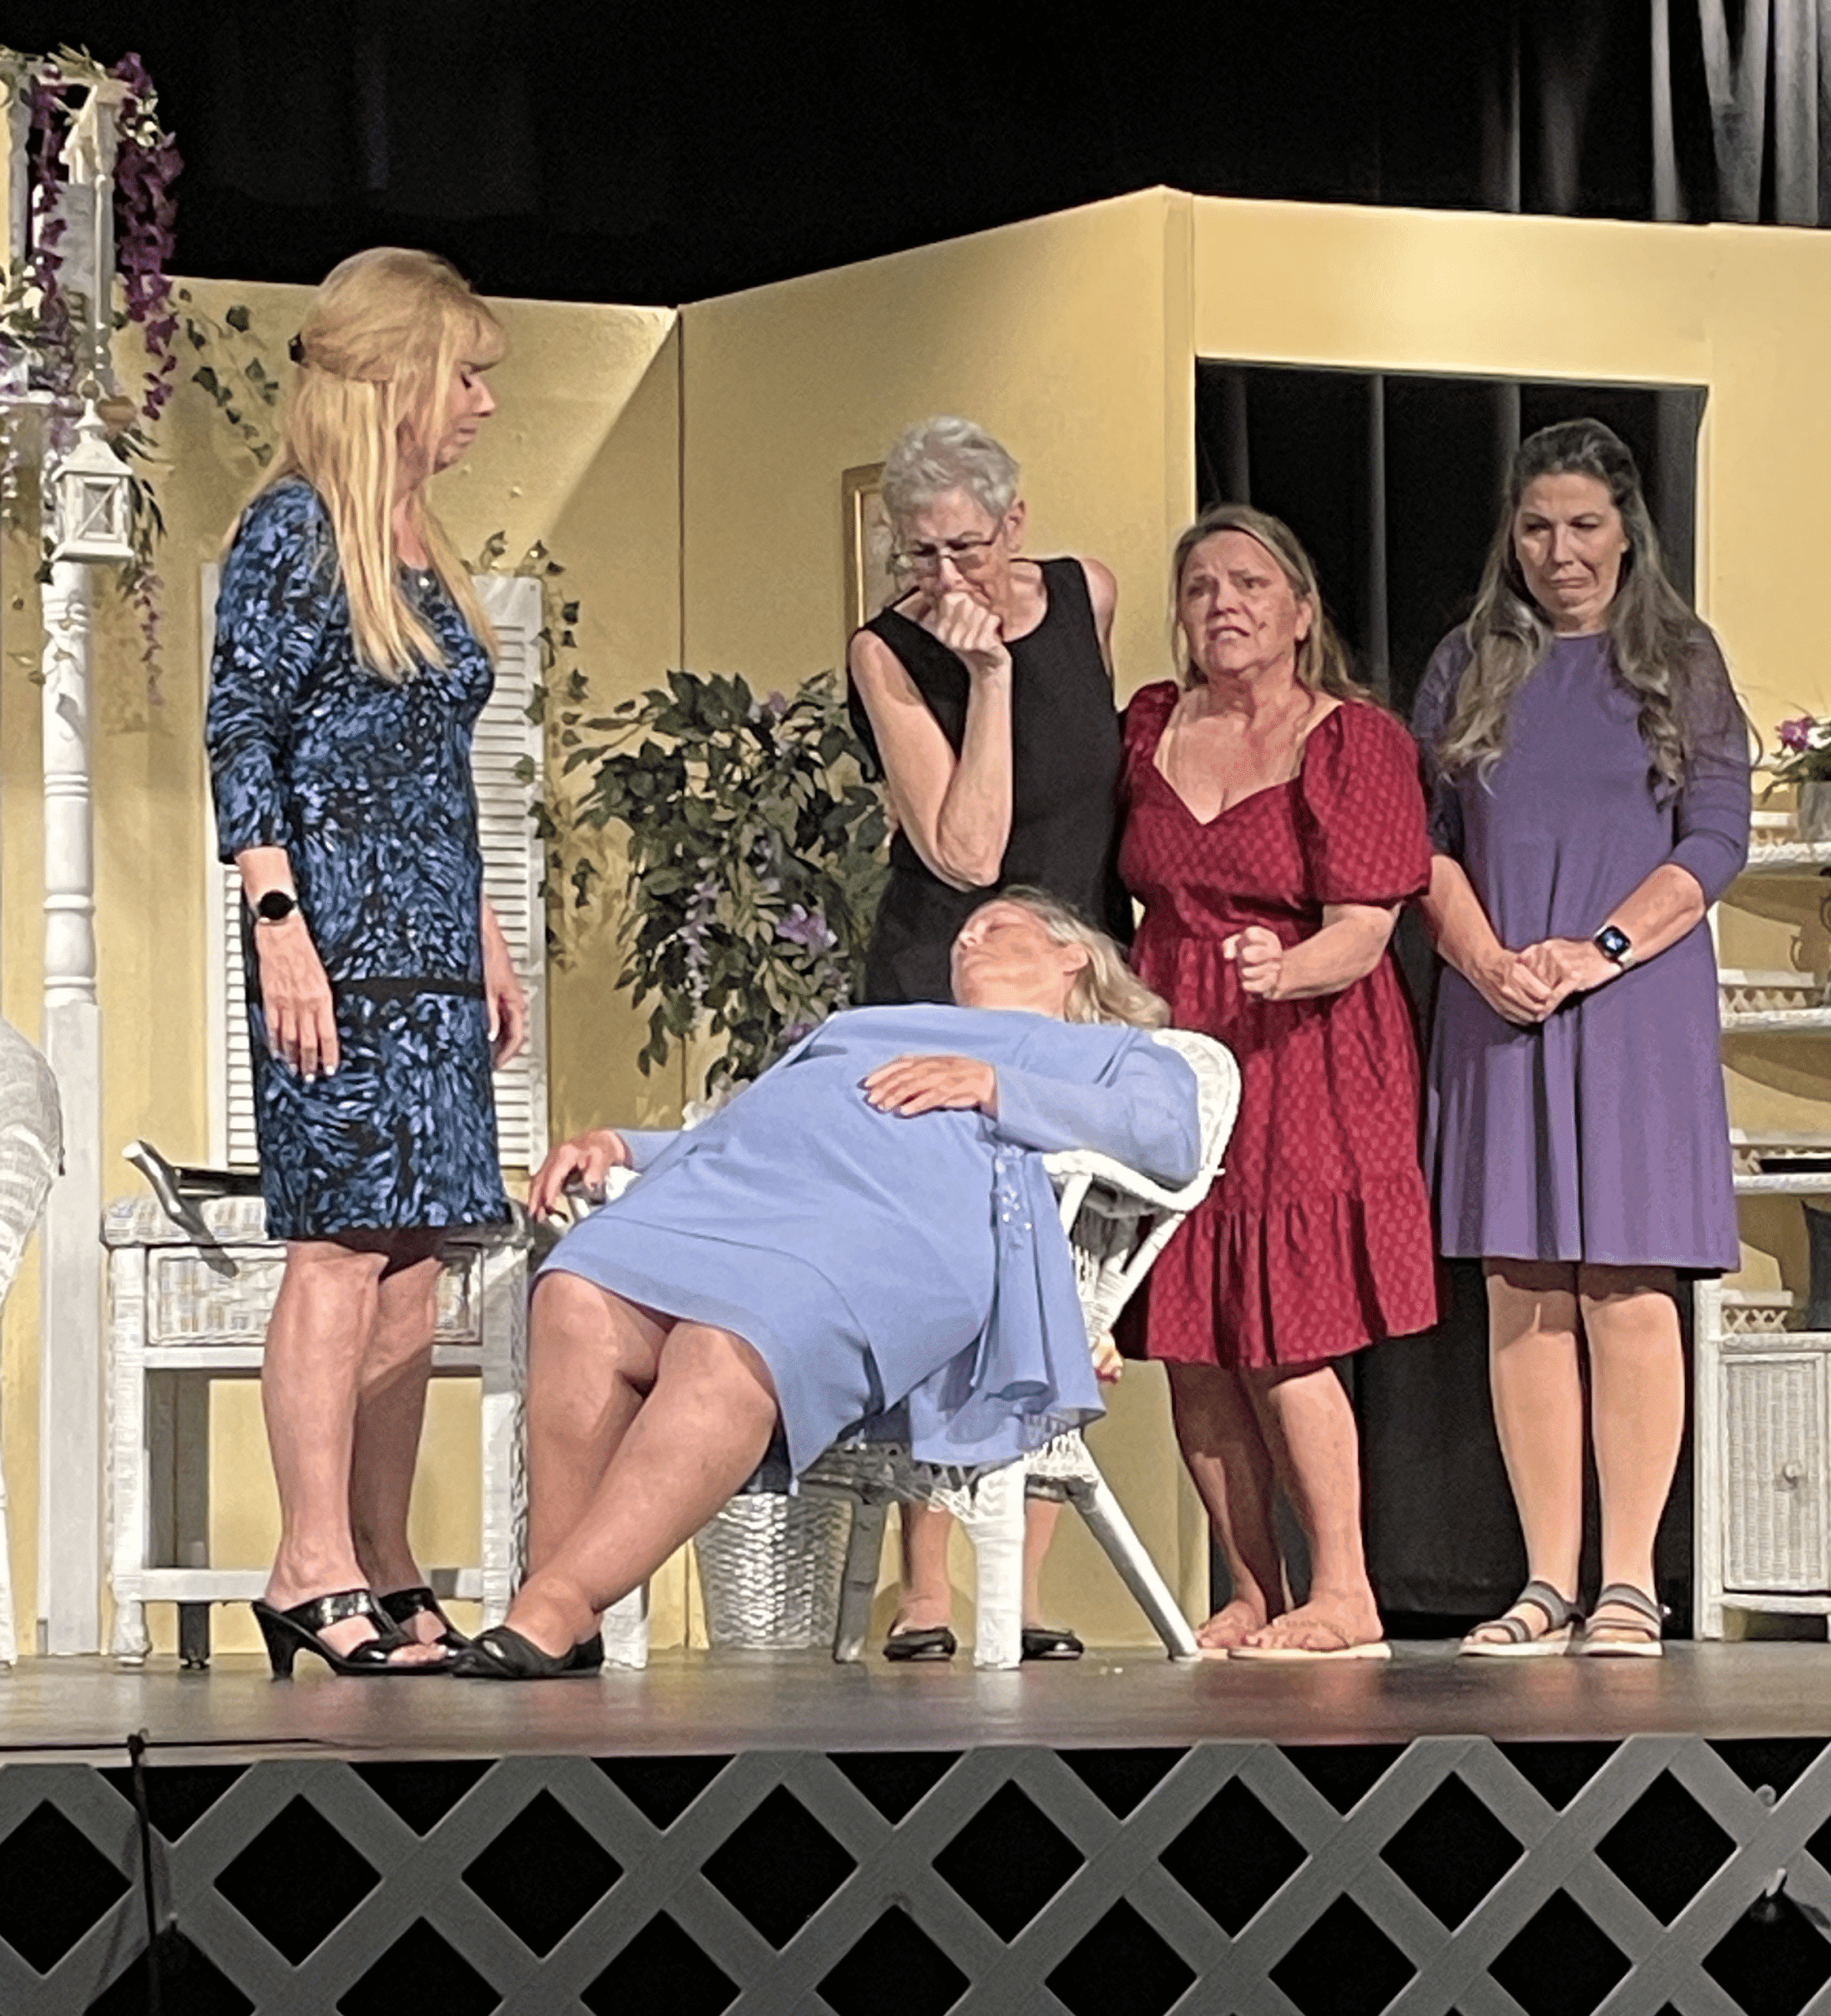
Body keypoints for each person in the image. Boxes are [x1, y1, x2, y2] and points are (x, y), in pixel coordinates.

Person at [455, 894, 1200, 1681]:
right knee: (573, 1291)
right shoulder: (857, 1030)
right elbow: (739, 1129)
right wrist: (621, 1144)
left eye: (998, 926)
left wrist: (994, 1086)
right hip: (740, 1198)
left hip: (892, 1236)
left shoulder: (1113, 1053)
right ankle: (559, 1613)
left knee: (730, 1341)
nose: (968, 936)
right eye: (964, 930)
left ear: (1071, 956)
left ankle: (554, 1603)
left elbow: (1171, 1139)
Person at [204, 248, 527, 1677]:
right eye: (464, 375)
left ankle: (384, 1554)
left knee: (417, 1262)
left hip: (433, 948)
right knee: (339, 1246)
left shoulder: (419, 540)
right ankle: (306, 1556)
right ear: (396, 376)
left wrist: (487, 932)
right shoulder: (291, 534)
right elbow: (244, 737)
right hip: (330, 941)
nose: (480, 405)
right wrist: (280, 928)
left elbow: (434, 763)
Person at [1412, 418, 1747, 1658]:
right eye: (1539, 525)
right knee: (1523, 1284)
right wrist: (1487, 957)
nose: (1561, 550)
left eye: (1586, 525)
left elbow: (1714, 839)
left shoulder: (1681, 657)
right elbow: (1423, 841)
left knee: (1626, 1280)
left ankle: (1627, 1582)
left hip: (1632, 1000)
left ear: (1627, 531)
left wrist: (1596, 951)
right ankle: (1545, 1580)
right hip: (1498, 998)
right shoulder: (1467, 662)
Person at [1115, 504, 1437, 1659]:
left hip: (1303, 1047)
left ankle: (1344, 1588)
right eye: (1202, 587)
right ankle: (1253, 1588)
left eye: (1251, 584)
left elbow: (1365, 929)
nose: (1225, 606)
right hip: (1173, 1045)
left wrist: (1285, 966)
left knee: (1284, 1327)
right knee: (1195, 1330)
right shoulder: (1149, 724)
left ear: (1300, 611)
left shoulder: (1353, 740)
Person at [846, 416, 1133, 1662]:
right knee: (946, 1269)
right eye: (922, 553)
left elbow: (1097, 788)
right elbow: (964, 849)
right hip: (947, 973)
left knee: (1068, 1271)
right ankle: (925, 1592)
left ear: (1017, 526)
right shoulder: (887, 651)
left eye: (968, 547)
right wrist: (993, 678)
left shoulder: (1087, 595)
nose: (948, 577)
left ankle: (1016, 1578)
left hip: (1065, 976)